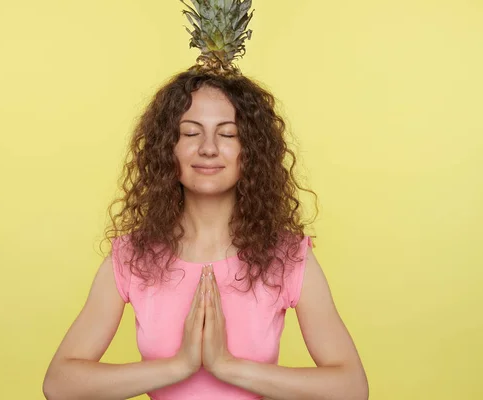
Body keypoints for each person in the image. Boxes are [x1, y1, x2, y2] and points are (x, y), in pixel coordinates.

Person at [43, 1, 368, 399]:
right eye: (191, 132)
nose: (209, 148)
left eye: (228, 134)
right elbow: (60, 385)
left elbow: (351, 388)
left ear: (251, 151)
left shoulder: (288, 257)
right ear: (168, 148)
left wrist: (227, 367)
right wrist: (178, 366)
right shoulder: (131, 256)